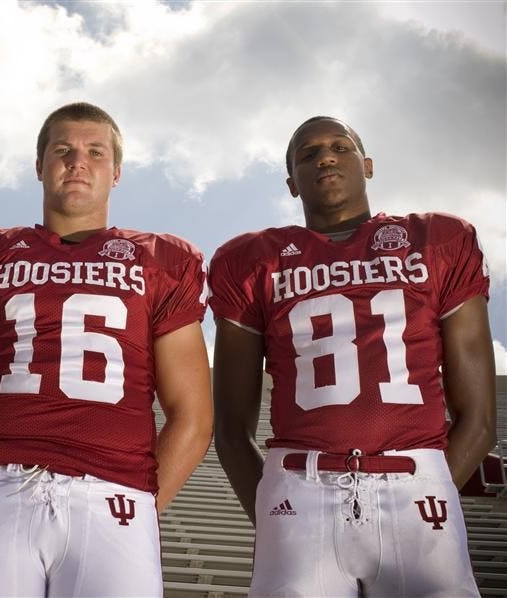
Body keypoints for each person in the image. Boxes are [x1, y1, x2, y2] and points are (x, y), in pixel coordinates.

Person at [0, 102, 213, 597]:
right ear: (39, 165)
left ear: (116, 172)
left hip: (115, 498)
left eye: (95, 152)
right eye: (63, 150)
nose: (77, 162)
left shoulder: (163, 259)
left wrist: (141, 500)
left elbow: (192, 414)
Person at [209, 115, 496, 597]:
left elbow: (480, 419)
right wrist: (275, 510)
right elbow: (232, 431)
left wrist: (433, 487)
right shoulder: (253, 261)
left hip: (415, 479)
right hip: (301, 482)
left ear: (366, 165)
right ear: (291, 184)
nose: (324, 156)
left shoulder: (437, 240)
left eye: (339, 147)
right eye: (307, 154)